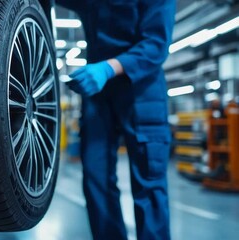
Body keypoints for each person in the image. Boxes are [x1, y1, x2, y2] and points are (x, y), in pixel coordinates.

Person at [56, 0, 176, 239]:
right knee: (96, 177)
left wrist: (108, 69)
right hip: (98, 93)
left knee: (149, 183)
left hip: (141, 90)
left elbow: (156, 45)